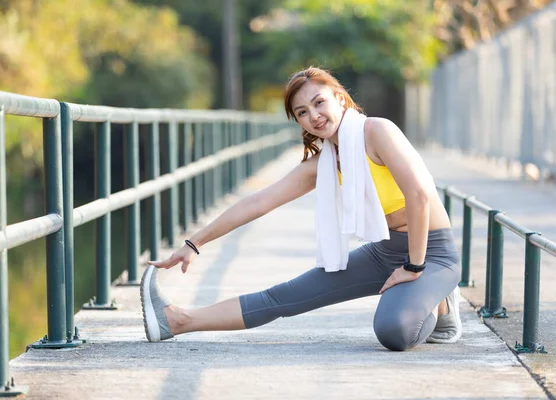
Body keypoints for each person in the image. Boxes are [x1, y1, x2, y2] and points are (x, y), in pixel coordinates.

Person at [141, 67, 462, 351]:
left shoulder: (377, 131)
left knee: (394, 332)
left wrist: (414, 267)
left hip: (431, 253)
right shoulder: (323, 163)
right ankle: (177, 321)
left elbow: (418, 195)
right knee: (283, 297)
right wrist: (194, 243)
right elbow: (258, 202)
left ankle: (441, 300)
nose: (314, 115)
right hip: (384, 251)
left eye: (319, 102)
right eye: (303, 112)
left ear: (339, 97)